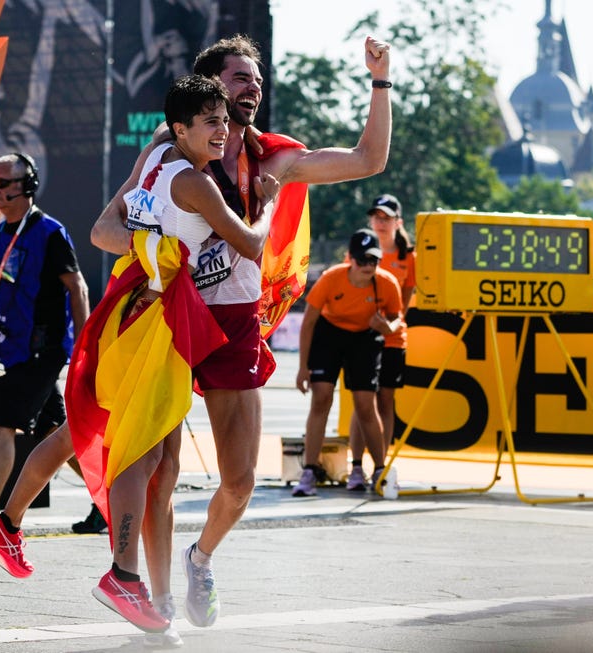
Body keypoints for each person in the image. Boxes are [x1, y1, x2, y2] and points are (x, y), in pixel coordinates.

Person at [89, 33, 392, 630]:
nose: (252, 88)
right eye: (238, 79)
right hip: (169, 319)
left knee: (239, 482)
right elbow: (105, 228)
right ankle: (158, 599)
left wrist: (380, 81)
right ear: (206, 98)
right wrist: (158, 252)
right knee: (160, 470)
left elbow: (368, 161)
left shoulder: (272, 158)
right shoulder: (165, 158)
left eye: (256, 79)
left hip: (234, 323)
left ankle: (199, 558)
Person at [0, 75, 279, 639]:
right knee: (139, 455)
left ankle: (7, 524)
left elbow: (111, 227)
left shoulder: (159, 154)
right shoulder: (195, 184)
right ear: (182, 128)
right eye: (209, 122)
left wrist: (150, 247)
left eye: (223, 120)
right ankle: (121, 576)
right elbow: (252, 244)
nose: (221, 131)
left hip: (131, 307)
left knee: (82, 428)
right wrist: (270, 203)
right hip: (157, 324)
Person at [0, 153, 90, 540]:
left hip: (41, 349)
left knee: (0, 423)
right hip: (8, 349)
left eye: (5, 183)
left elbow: (77, 287)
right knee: (56, 433)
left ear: (28, 185)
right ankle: (105, 501)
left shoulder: (49, 232)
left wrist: (87, 342)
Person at [293, 229, 403, 497]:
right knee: (321, 398)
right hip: (329, 334)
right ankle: (309, 469)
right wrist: (303, 367)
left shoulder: (387, 283)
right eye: (362, 260)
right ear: (350, 260)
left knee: (366, 404)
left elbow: (396, 318)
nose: (368, 267)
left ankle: (377, 469)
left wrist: (386, 327)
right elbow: (308, 322)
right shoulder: (332, 279)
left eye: (373, 260)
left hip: (364, 337)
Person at [345, 194, 416, 492]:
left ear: (398, 222)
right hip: (362, 335)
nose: (380, 223)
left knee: (385, 401)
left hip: (391, 336)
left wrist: (390, 323)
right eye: (376, 217)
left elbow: (405, 302)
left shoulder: (408, 257)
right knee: (362, 403)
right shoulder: (361, 250)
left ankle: (380, 466)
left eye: (386, 218)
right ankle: (356, 467)